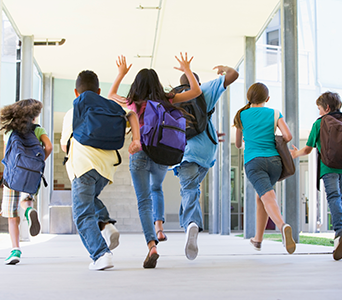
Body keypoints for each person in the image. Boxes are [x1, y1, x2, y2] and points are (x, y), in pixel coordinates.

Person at [108, 53, 201, 268]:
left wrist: (121, 73)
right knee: (156, 187)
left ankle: (151, 245)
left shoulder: (133, 102)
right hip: (162, 153)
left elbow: (112, 94)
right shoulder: (167, 99)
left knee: (144, 201)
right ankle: (160, 227)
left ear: (137, 85)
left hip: (139, 152)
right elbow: (195, 92)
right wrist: (187, 69)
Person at [60, 70, 141, 270]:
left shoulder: (73, 111)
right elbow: (131, 114)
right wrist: (137, 139)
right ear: (99, 90)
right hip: (105, 170)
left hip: (83, 167)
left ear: (76, 92)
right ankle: (106, 223)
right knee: (90, 200)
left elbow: (64, 146)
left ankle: (101, 255)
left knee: (82, 213)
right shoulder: (110, 108)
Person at [169, 65, 239, 260]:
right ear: (196, 82)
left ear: (179, 84)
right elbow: (234, 75)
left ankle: (191, 223)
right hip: (207, 151)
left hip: (183, 151)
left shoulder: (173, 97)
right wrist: (224, 69)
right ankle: (189, 224)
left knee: (189, 189)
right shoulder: (204, 90)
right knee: (191, 189)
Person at [291, 91, 342, 260]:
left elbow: (308, 149)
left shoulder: (320, 123)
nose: (319, 112)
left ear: (327, 107)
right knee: (340, 198)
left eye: (319, 108)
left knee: (334, 197)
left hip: (329, 167)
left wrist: (295, 154)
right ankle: (340, 235)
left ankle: (341, 231)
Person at [234, 82, 296, 255]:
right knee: (261, 197)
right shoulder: (275, 113)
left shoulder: (241, 115)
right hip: (275, 162)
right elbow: (288, 136)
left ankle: (283, 226)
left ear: (249, 98)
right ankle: (258, 240)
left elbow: (238, 144)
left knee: (267, 196)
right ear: (267, 99)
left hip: (254, 162)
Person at [0, 99, 53, 265]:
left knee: (12, 215)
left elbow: (7, 155)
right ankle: (29, 211)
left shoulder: (9, 131)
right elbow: (49, 146)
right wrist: (38, 163)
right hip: (31, 174)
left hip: (11, 176)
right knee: (26, 200)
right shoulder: (38, 129)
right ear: (33, 117)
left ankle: (15, 250)